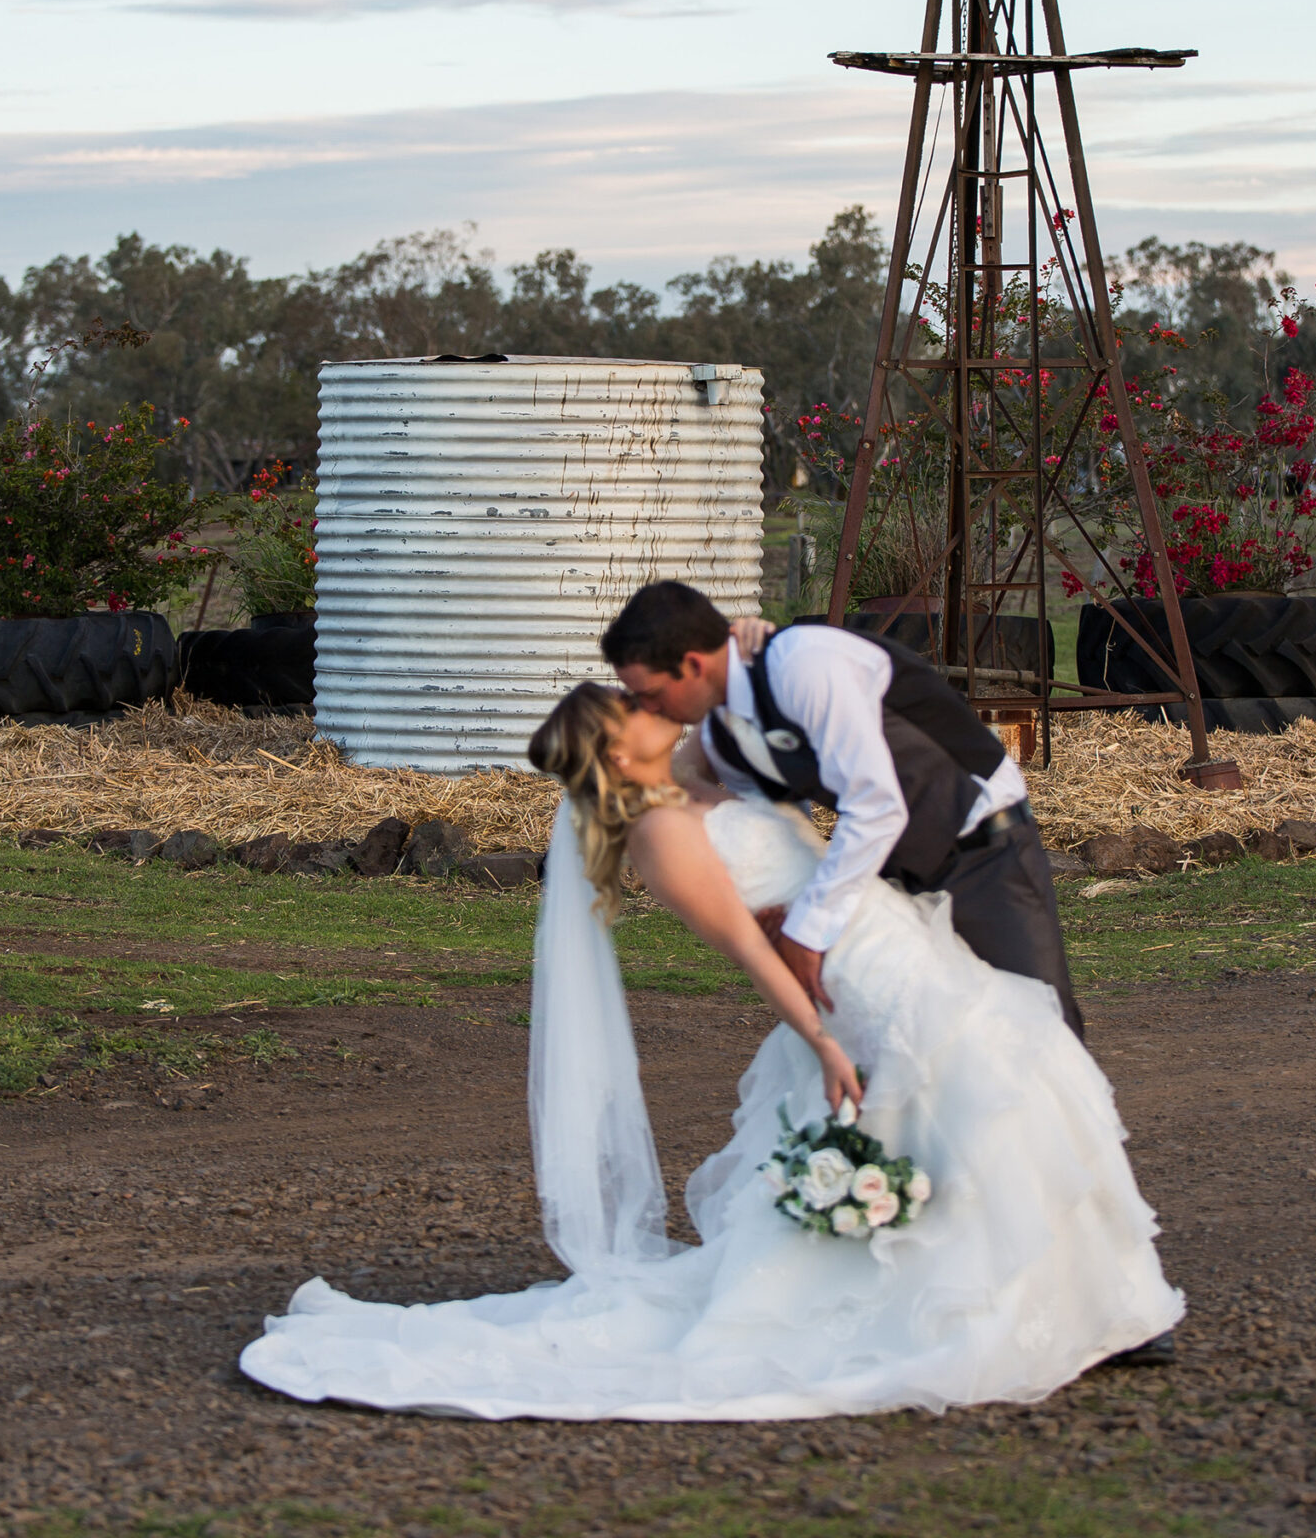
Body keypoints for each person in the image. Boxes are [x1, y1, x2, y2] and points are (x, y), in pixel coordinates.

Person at [238, 678, 1182, 1419]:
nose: (651, 711)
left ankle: (1076, 1303)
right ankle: (972, 1308)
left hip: (894, 938)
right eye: (631, 711)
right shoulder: (660, 834)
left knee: (1006, 1089)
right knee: (980, 1093)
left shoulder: (692, 782)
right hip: (855, 980)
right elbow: (752, 943)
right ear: (616, 748)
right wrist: (820, 1035)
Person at [603, 580, 1084, 1037]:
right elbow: (780, 824)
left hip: (984, 847)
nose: (652, 708)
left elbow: (877, 804)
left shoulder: (804, 663)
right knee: (930, 1031)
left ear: (691, 664)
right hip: (889, 870)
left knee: (1040, 1027)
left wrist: (810, 929)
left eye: (651, 693)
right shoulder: (725, 739)